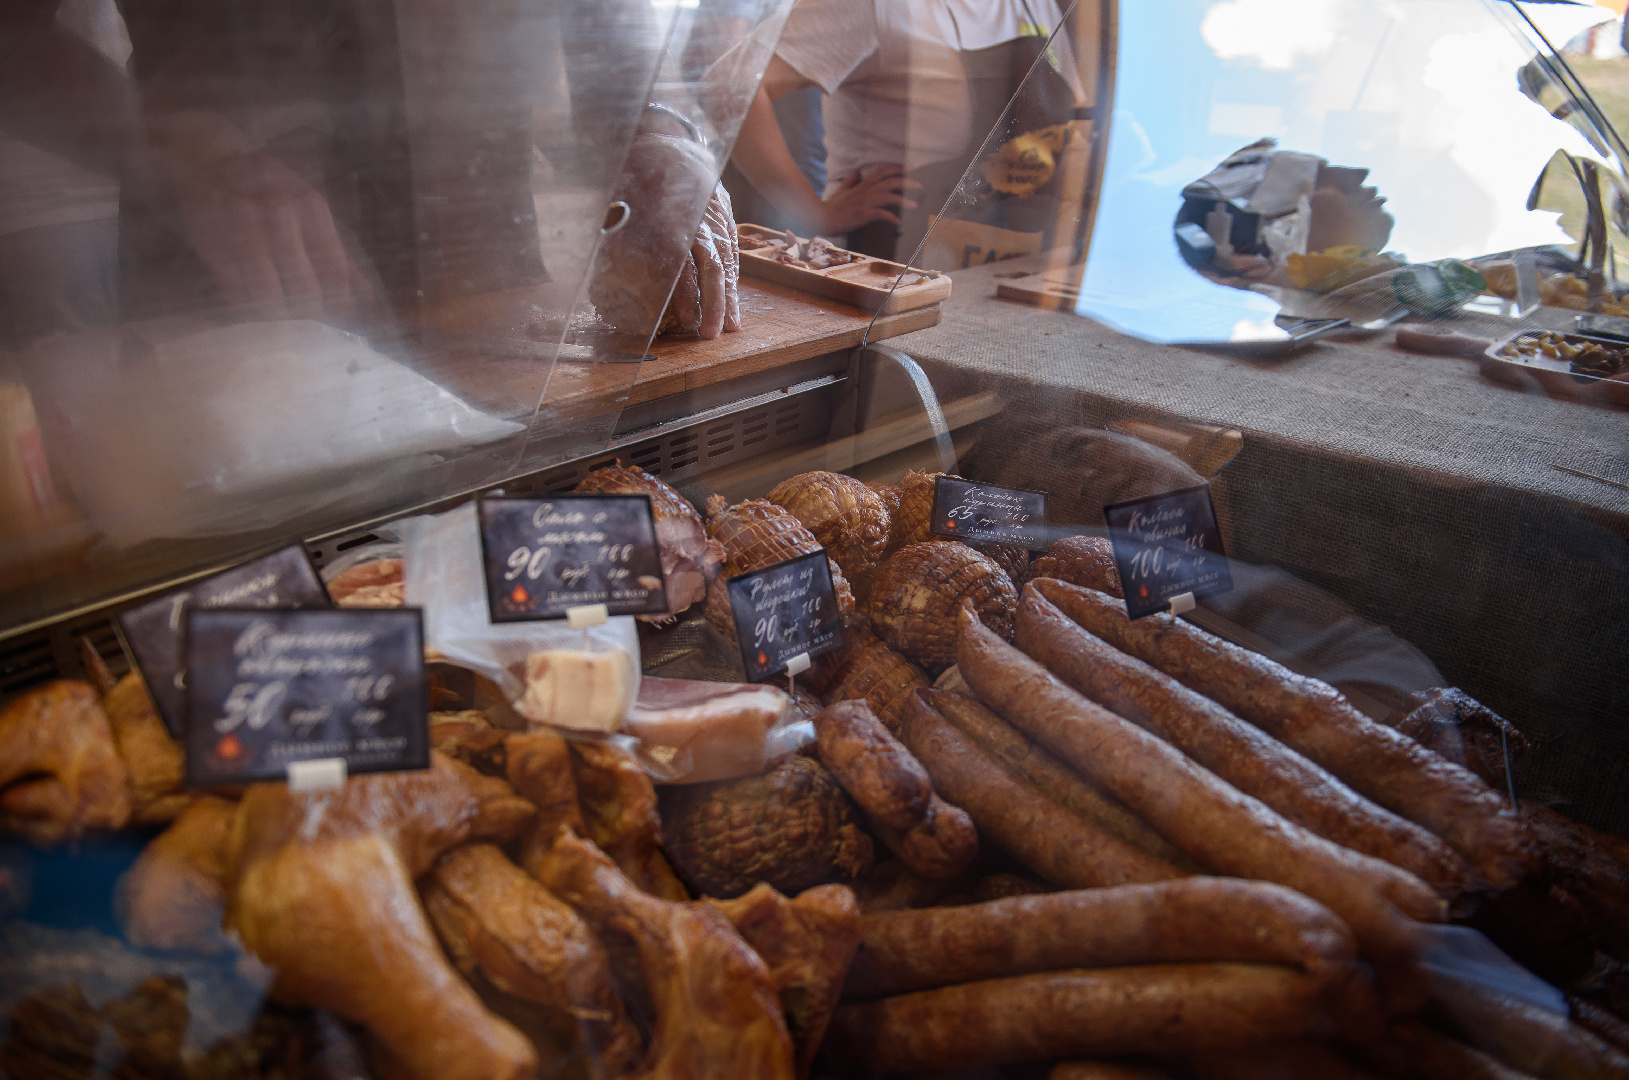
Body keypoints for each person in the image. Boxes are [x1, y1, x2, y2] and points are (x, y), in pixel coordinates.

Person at [722, 0, 1084, 261]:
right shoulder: (872, 6)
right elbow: (730, 87)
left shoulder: (1035, 5)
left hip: (1007, 264)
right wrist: (815, 213)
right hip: (896, 270)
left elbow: (1067, 122)